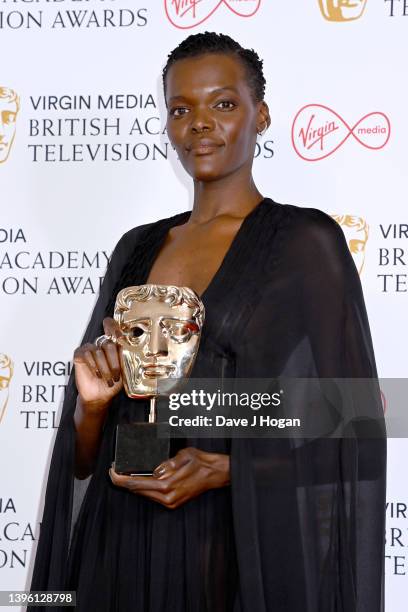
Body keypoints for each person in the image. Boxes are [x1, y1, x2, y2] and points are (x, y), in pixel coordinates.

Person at [30, 32, 386, 612]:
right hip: (118, 544)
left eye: (223, 104)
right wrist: (92, 407)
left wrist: (228, 469)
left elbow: (354, 418)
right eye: (180, 108)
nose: (200, 123)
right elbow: (84, 459)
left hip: (230, 555)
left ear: (261, 115)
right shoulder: (136, 249)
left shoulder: (304, 243)